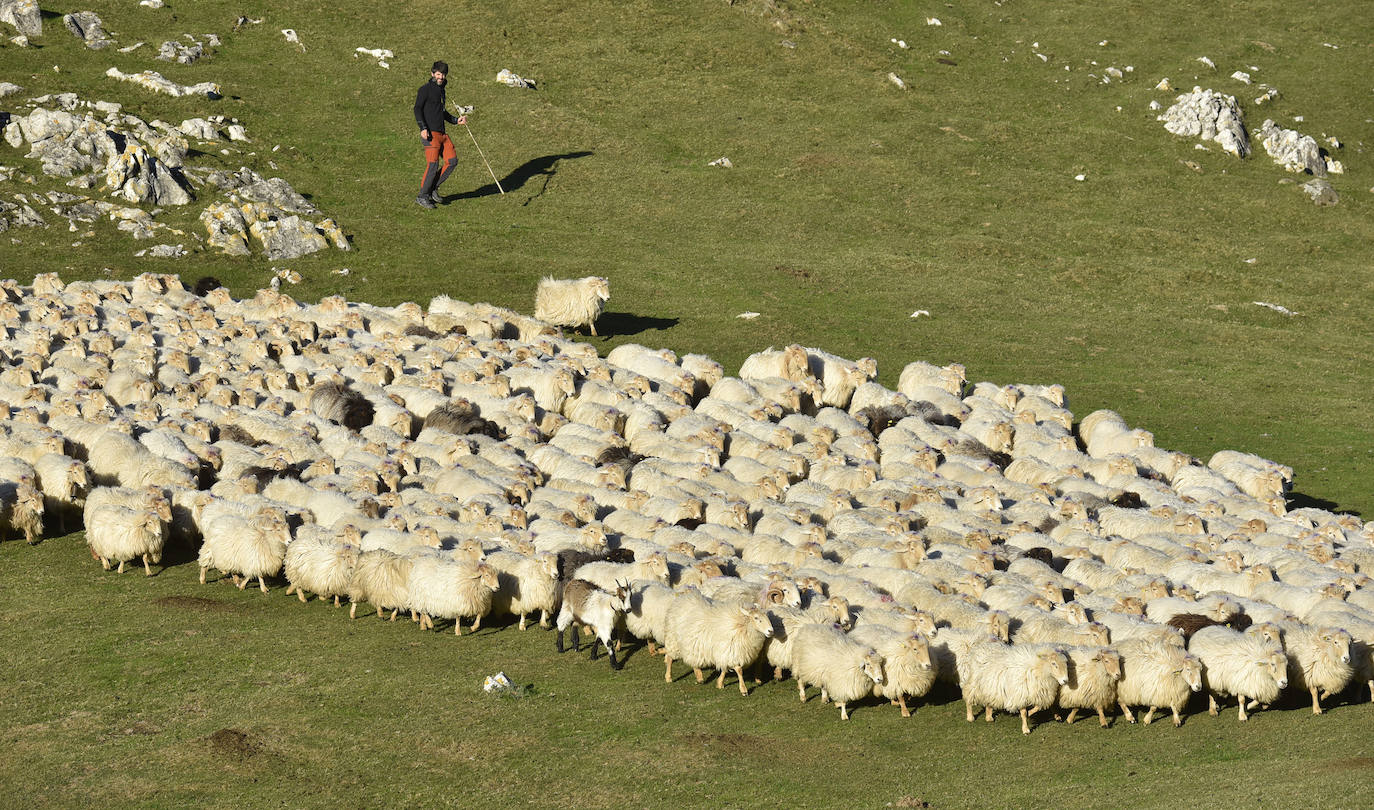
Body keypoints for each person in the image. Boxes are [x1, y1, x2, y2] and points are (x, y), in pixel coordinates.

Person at [413, 60, 466, 209]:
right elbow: (417, 109)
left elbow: (442, 113)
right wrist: (423, 128)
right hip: (430, 134)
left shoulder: (441, 91)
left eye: (443, 74)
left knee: (452, 161)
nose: (441, 77)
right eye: (438, 74)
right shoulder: (425, 90)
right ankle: (422, 196)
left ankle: (432, 189)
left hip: (442, 134)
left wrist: (457, 120)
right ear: (432, 73)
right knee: (433, 165)